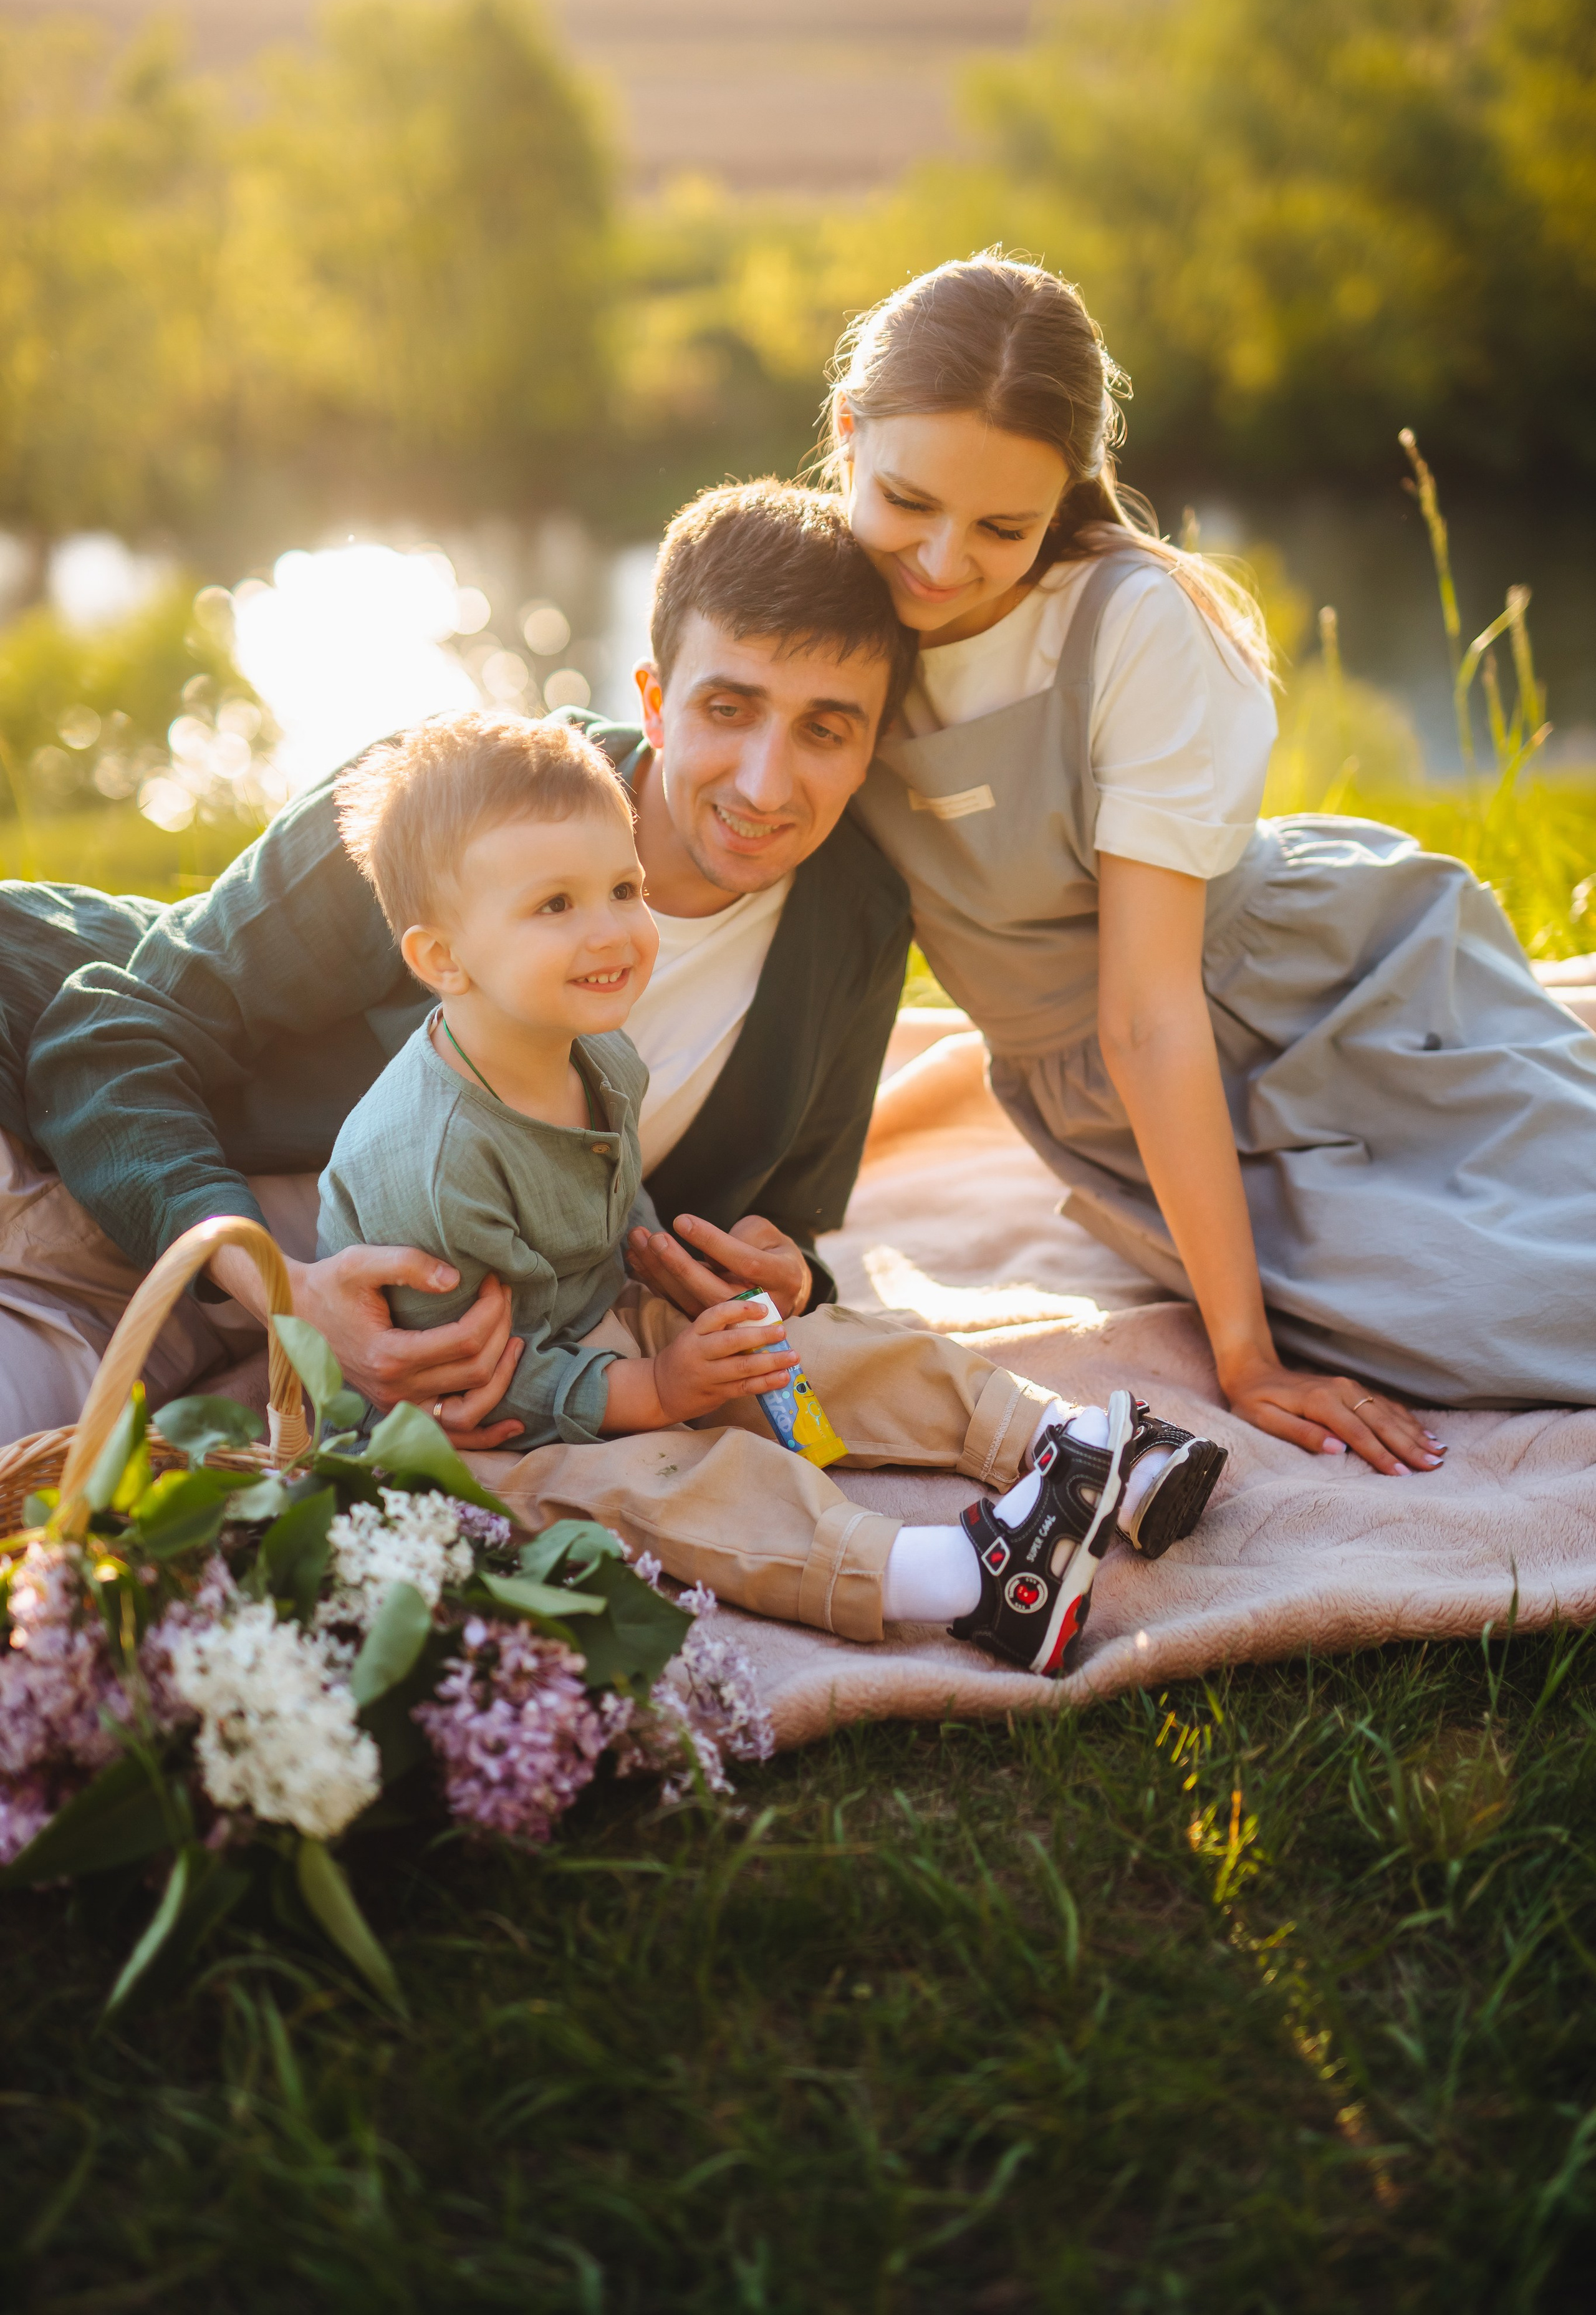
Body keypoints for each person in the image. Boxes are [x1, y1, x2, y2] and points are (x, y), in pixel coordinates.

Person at [830, 253, 1596, 1464]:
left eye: (1002, 528)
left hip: (1312, 1007)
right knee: (1437, 1312)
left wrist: (1245, 1359)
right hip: (1125, 1100)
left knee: (1534, 1305)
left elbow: (1147, 1013)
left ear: (1064, 495)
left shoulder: (1128, 624)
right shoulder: (806, 611)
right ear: (847, 435)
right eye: (907, 501)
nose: (938, 559)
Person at [1, 485, 912, 1449]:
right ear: (653, 701)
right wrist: (286, 1293)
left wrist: (789, 1273)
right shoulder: (443, 803)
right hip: (82, 1164)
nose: (766, 785)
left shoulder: (853, 923)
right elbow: (106, 1036)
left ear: (872, 745)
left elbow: (789, 1221)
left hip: (273, 1324)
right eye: (728, 708)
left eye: (825, 729)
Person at [317, 707, 1226, 1672]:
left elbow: (609, 1200)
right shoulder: (437, 1162)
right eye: (555, 906)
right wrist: (656, 1391)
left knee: (790, 1346)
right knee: (670, 1480)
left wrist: (676, 1296)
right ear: (443, 959)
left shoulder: (598, 1053)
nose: (612, 931)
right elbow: (469, 1387)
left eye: (624, 888)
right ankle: (967, 1580)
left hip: (593, 1317)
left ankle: (1071, 1446)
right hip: (475, 1428)